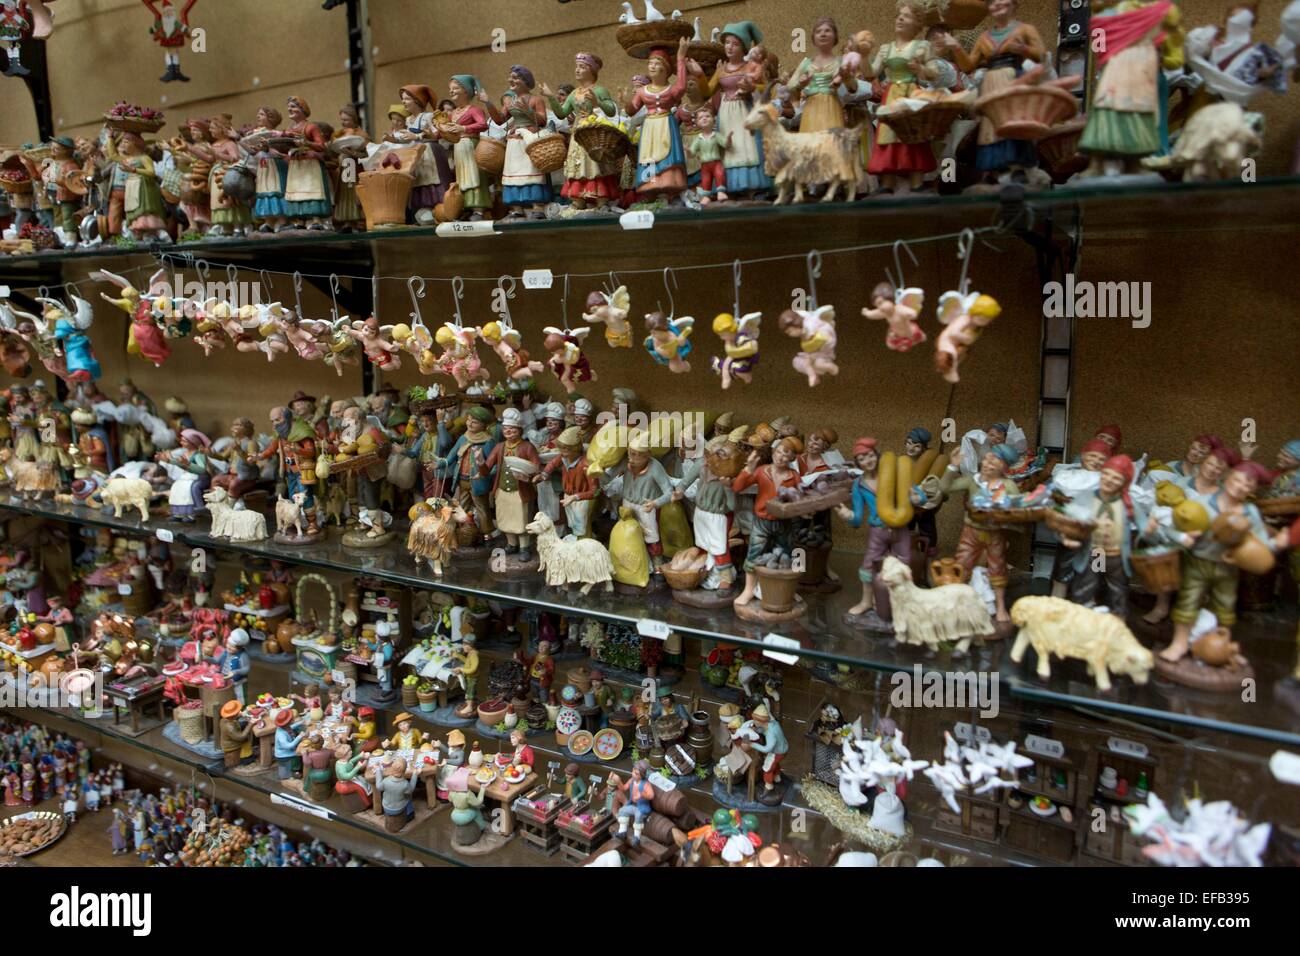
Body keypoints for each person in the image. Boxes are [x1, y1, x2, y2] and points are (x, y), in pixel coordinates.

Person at [940, 443, 1022, 622]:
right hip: (972, 531)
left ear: (1003, 468)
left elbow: (1017, 511)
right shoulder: (973, 480)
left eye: (994, 462)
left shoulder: (1008, 486)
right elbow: (945, 488)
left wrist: (1005, 511)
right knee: (961, 564)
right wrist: (952, 466)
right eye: (986, 459)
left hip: (995, 533)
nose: (987, 464)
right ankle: (954, 604)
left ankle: (1000, 607)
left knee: (997, 567)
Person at [749, 704, 788, 806]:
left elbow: (767, 748)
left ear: (761, 721)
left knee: (767, 768)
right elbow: (764, 729)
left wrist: (752, 744)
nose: (754, 722)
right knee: (774, 763)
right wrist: (756, 730)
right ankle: (777, 777)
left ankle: (768, 785)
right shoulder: (773, 723)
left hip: (777, 752)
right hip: (783, 748)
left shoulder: (771, 734)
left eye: (755, 720)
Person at [615, 760, 655, 846]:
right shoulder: (632, 780)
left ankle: (637, 837)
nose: (633, 774)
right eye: (633, 771)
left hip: (641, 807)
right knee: (622, 811)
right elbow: (624, 788)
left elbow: (651, 795)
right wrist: (618, 781)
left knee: (638, 816)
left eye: (636, 774)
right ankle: (622, 832)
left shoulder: (646, 784)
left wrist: (641, 794)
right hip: (632, 805)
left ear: (642, 775)